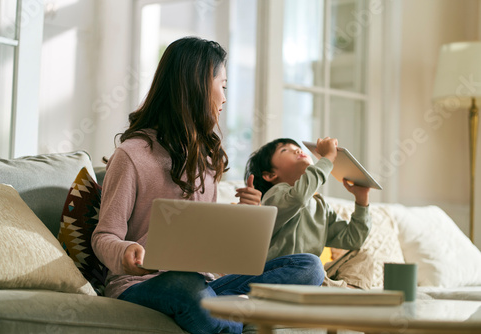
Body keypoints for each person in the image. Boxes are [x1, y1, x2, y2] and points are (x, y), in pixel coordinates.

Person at [91, 37, 324, 334]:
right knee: (185, 284)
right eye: (222, 86)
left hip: (205, 284)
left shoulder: (206, 161)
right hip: (142, 284)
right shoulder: (132, 155)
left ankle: (226, 311)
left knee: (309, 266)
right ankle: (236, 314)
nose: (225, 98)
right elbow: (104, 236)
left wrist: (240, 221)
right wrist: (126, 253)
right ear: (198, 86)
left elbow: (203, 244)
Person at [244, 137, 372, 263]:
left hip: (312, 273)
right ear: (270, 175)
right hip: (282, 271)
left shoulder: (320, 205)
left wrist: (361, 200)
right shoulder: (272, 197)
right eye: (284, 150)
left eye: (298, 148)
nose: (298, 151)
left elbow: (353, 239)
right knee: (312, 263)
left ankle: (345, 285)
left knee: (363, 256)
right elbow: (298, 197)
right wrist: (327, 159)